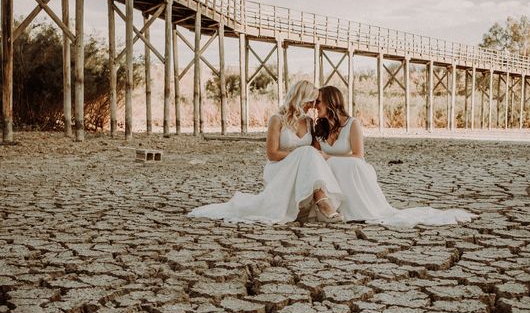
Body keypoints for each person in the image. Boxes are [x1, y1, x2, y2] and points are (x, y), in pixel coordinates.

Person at [314, 85, 475, 227]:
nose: (315, 105)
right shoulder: (319, 128)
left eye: (318, 101)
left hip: (350, 168)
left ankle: (357, 210)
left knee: (345, 164)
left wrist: (329, 157)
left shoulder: (352, 123)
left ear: (330, 102)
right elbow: (314, 155)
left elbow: (358, 156)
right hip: (331, 173)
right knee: (328, 166)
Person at [189, 80, 343, 224]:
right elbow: (272, 153)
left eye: (315, 102)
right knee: (306, 152)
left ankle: (319, 198)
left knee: (309, 152)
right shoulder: (277, 119)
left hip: (299, 169)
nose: (313, 106)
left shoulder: (309, 122)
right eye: (311, 101)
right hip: (279, 167)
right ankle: (322, 201)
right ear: (300, 98)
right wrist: (298, 156)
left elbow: (316, 152)